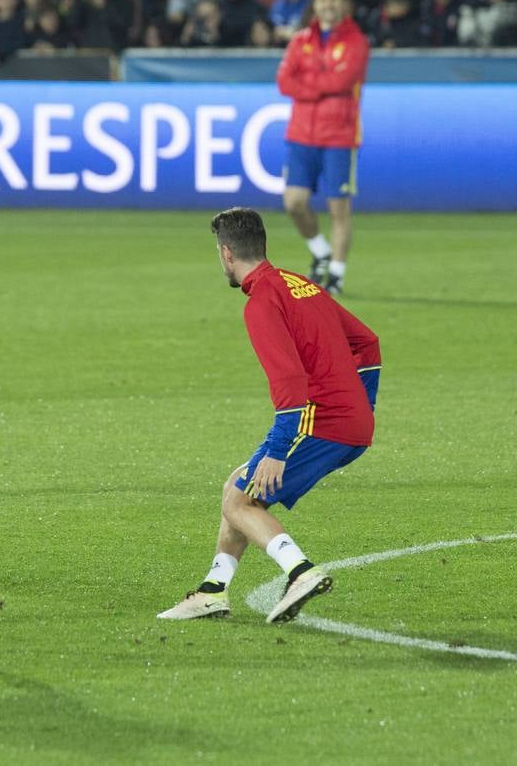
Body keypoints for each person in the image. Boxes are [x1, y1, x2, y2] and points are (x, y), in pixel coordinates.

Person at [158, 208, 381, 624]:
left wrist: (278, 450)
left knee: (243, 500)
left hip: (321, 420)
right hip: (345, 420)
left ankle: (301, 571)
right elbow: (367, 342)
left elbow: (290, 380)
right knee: (236, 488)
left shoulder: (261, 302)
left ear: (226, 254)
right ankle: (213, 590)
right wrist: (362, 408)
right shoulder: (300, 284)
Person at [275, 0, 369, 297]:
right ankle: (320, 251)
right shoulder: (301, 40)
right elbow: (284, 81)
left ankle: (337, 275)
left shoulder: (356, 42)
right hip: (301, 134)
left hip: (339, 136)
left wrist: (308, 84)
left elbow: (342, 84)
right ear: (315, 4)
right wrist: (321, 84)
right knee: (294, 203)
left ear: (342, 4)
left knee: (338, 209)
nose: (327, 5)